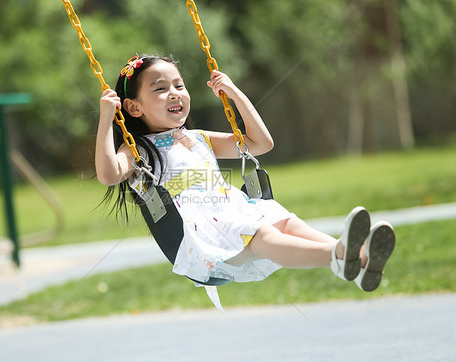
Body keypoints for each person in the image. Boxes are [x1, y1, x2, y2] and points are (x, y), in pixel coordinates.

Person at [95, 54, 396, 297]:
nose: (174, 94)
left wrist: (235, 94)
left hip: (232, 210)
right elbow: (109, 174)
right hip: (202, 237)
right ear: (133, 107)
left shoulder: (199, 137)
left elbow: (260, 143)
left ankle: (356, 257)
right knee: (264, 235)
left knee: (286, 221)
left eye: (179, 85)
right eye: (160, 88)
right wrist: (107, 119)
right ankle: (339, 254)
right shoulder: (140, 151)